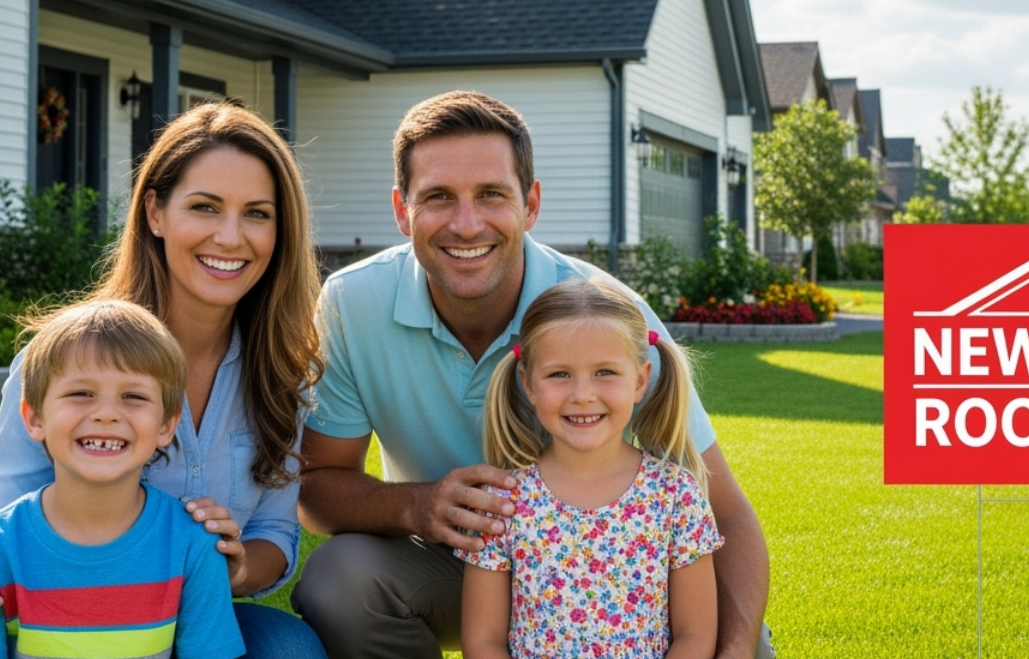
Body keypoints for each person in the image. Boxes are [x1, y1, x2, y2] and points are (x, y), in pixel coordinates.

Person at [291, 90, 771, 659]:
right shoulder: (353, 302)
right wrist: (417, 506)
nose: (466, 225)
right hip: (463, 560)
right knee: (340, 580)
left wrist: (735, 651)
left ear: (531, 204)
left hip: (618, 579)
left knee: (744, 646)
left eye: (492, 194)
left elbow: (729, 514)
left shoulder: (608, 313)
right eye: (438, 197)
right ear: (402, 210)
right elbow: (318, 490)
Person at [0, 102, 326, 659]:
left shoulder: (280, 373)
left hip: (193, 621)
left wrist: (232, 566)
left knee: (290, 648)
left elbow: (278, 535)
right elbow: (0, 527)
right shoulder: (61, 362)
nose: (231, 237)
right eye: (204, 207)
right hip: (67, 625)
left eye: (257, 213)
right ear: (154, 212)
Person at [0, 300, 244, 659]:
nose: (106, 414)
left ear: (167, 425)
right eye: (81, 394)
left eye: (133, 396)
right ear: (34, 417)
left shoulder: (194, 545)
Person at [460, 278, 720, 659]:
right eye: (560, 374)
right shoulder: (501, 502)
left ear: (640, 380)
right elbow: (483, 642)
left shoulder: (675, 495)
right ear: (528, 383)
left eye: (605, 373)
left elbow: (695, 635)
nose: (582, 395)